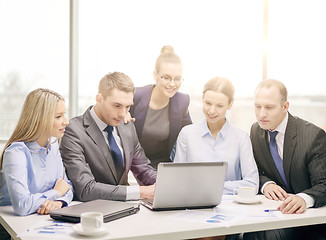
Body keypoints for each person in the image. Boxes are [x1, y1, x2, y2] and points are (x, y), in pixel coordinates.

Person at [243, 79, 326, 240]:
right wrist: (266, 184)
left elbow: (324, 184)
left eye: (269, 107)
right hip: (274, 212)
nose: (261, 114)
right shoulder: (256, 130)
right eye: (257, 106)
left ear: (285, 106)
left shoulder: (312, 136)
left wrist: (304, 198)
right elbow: (254, 170)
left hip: (308, 218)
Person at [60, 72, 157, 202]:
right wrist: (140, 192)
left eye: (127, 107)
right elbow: (85, 189)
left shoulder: (127, 126)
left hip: (126, 210)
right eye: (117, 106)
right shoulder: (74, 131)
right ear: (99, 98)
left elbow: (143, 169)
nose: (123, 114)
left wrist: (165, 184)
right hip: (92, 212)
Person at [174, 77, 259, 195]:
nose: (212, 111)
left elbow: (252, 184)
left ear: (230, 104)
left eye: (219, 106)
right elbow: (176, 180)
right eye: (208, 103)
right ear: (202, 99)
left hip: (231, 207)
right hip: (193, 206)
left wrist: (209, 186)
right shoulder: (187, 134)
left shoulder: (241, 138)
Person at [0, 88, 73, 220]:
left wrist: (58, 202)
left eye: (64, 114)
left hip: (39, 219)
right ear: (39, 119)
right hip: (9, 226)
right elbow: (22, 205)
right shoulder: (16, 152)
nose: (66, 121)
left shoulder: (54, 146)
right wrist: (56, 193)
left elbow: (67, 186)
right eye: (58, 116)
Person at [128, 45, 192, 169]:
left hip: (160, 166)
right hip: (130, 162)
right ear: (155, 75)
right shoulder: (135, 96)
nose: (172, 84)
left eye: (177, 79)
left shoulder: (181, 101)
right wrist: (122, 112)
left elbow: (190, 134)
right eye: (166, 78)